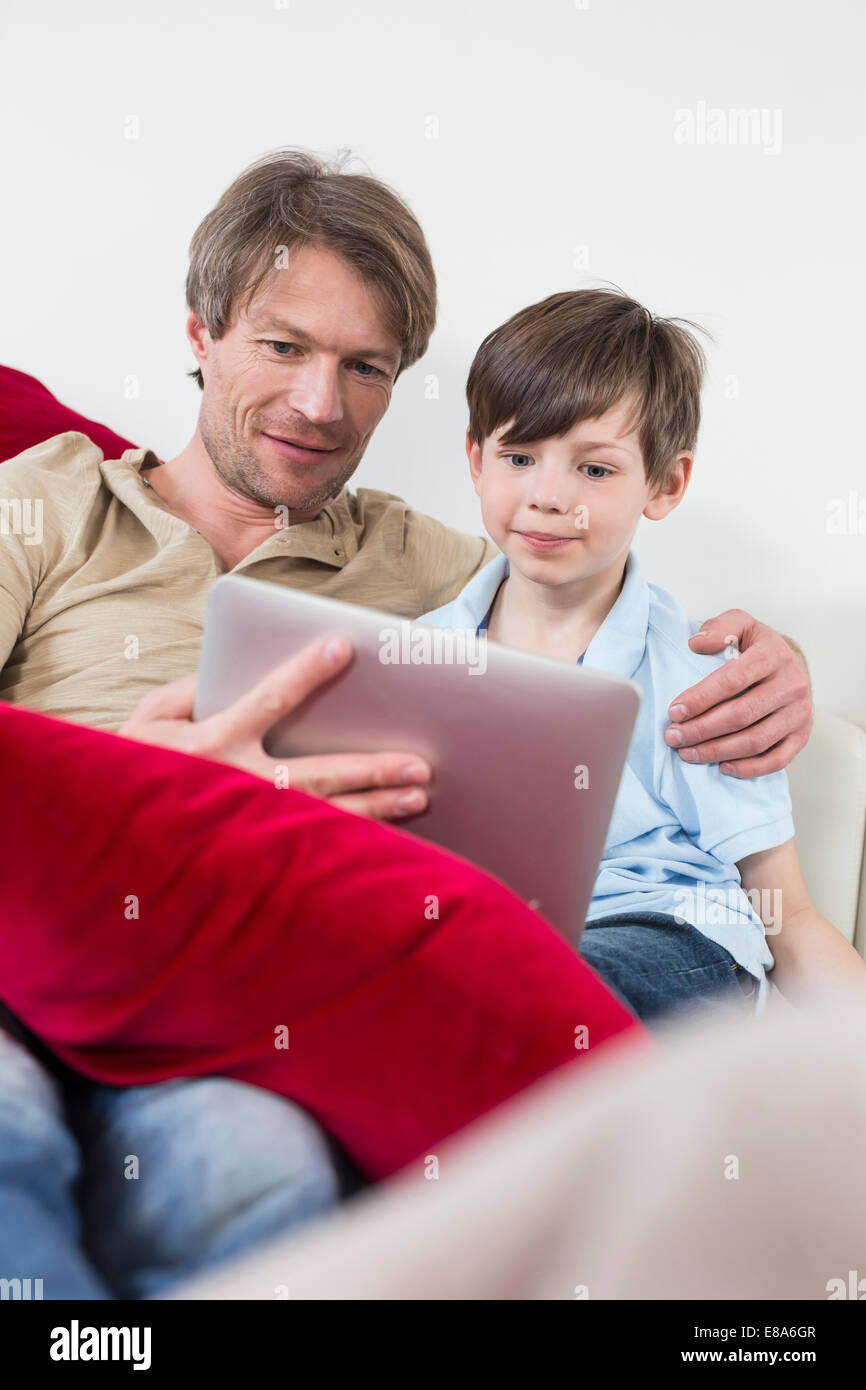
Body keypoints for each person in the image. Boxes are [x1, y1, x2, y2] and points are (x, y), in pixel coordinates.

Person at [0, 148, 813, 1294]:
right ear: (199, 333)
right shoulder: (47, 499)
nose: (318, 404)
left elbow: (594, 587)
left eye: (364, 367)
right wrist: (138, 782)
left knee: (254, 1162)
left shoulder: (437, 570)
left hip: (240, 1005)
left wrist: (773, 668)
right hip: (33, 951)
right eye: (282, 346)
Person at [419, 289, 866, 1023]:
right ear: (476, 459)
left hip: (665, 938)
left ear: (666, 484)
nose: (548, 496)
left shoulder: (702, 679)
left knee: (554, 987)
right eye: (520, 456)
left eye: (594, 470)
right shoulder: (418, 656)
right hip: (485, 945)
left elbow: (790, 920)